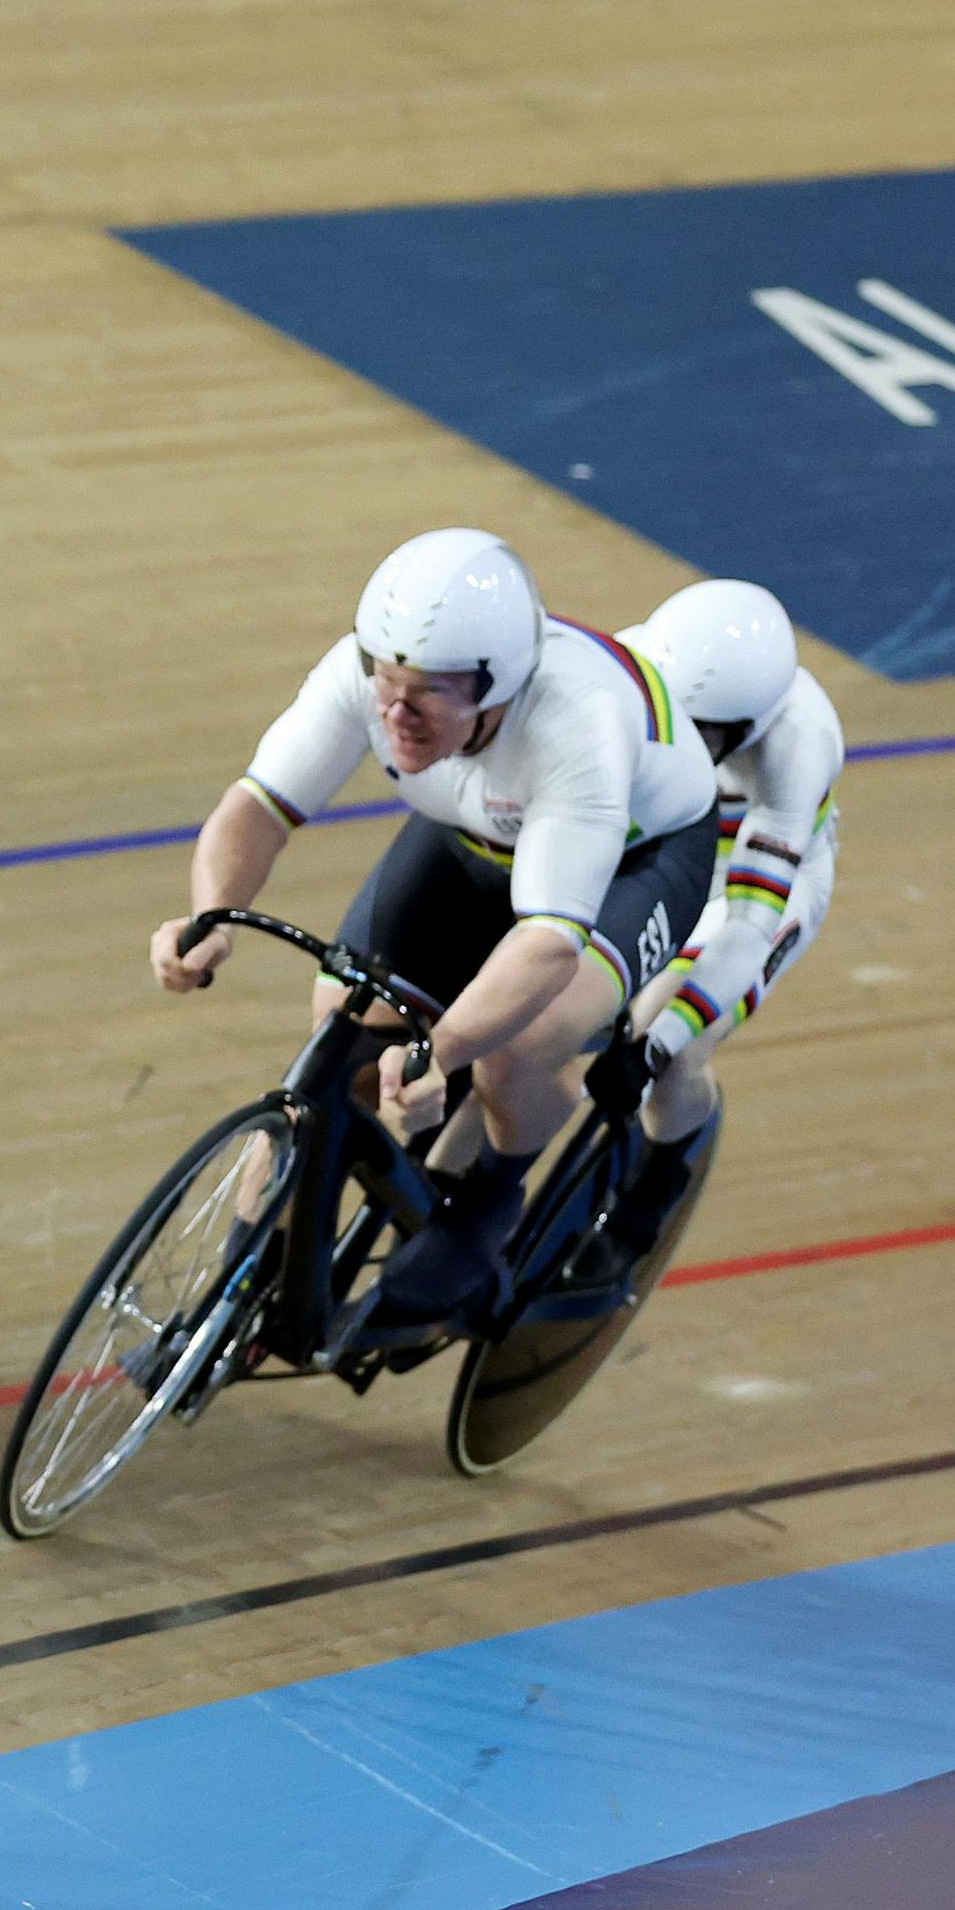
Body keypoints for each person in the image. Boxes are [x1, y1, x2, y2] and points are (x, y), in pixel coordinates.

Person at [149, 530, 717, 1325]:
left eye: (429, 697)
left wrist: (439, 1052)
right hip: (472, 840)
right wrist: (210, 916)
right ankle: (231, 1298)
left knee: (514, 1048)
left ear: (498, 689)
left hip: (634, 861)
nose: (396, 715)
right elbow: (257, 806)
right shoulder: (365, 674)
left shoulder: (576, 725)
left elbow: (550, 940)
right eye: (386, 684)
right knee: (338, 1036)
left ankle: (492, 1192)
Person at [570, 578, 844, 1276]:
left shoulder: (800, 742)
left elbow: (751, 925)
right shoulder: (628, 663)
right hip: (664, 847)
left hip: (752, 884)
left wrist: (655, 1046)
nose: (688, 742)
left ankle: (662, 1176)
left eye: (708, 734)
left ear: (754, 721)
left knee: (674, 1042)